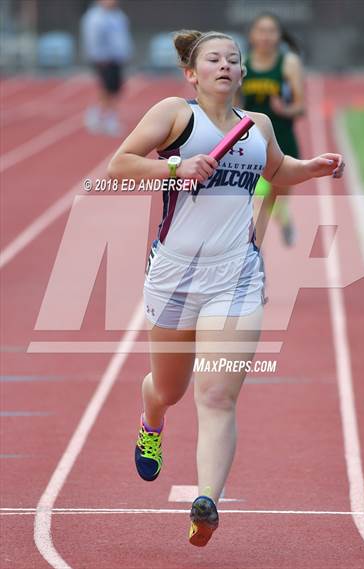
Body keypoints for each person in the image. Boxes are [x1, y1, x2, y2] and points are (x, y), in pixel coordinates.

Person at [107, 29, 344, 547]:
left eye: (232, 60)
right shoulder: (175, 114)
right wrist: (176, 164)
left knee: (215, 394)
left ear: (240, 74)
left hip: (235, 276)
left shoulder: (255, 126)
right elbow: (119, 165)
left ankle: (206, 501)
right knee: (169, 389)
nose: (225, 65)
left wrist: (315, 169)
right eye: (212, 59)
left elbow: (278, 172)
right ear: (192, 73)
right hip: (174, 276)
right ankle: (151, 420)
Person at [241, 12, 305, 246]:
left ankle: (283, 217)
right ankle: (254, 251)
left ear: (279, 36)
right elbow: (234, 105)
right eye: (261, 31)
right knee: (259, 199)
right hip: (252, 142)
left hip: (283, 140)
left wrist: (284, 109)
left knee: (277, 196)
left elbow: (300, 107)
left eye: (271, 31)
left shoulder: (288, 63)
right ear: (252, 34)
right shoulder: (242, 64)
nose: (266, 37)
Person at [80, 0, 132, 136]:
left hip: (117, 58)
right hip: (105, 59)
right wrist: (98, 56)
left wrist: (126, 53)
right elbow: (92, 38)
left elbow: (123, 36)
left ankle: (100, 115)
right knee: (108, 89)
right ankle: (105, 117)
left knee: (115, 89)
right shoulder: (95, 16)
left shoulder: (118, 15)